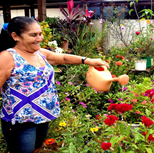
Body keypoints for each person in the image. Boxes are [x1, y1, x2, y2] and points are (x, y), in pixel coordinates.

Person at [0, 16, 109, 153]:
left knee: (36, 149)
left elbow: (63, 58)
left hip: (43, 116)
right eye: (33, 35)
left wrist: (88, 60)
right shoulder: (7, 57)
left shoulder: (40, 53)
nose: (39, 38)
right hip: (21, 121)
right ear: (16, 36)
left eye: (40, 34)